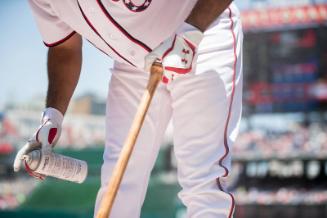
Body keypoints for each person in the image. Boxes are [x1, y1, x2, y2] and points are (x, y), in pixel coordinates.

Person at [13, 0, 243, 217]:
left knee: (203, 183)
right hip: (133, 62)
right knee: (117, 183)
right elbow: (64, 48)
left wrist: (191, 32)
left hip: (201, 32)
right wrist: (53, 116)